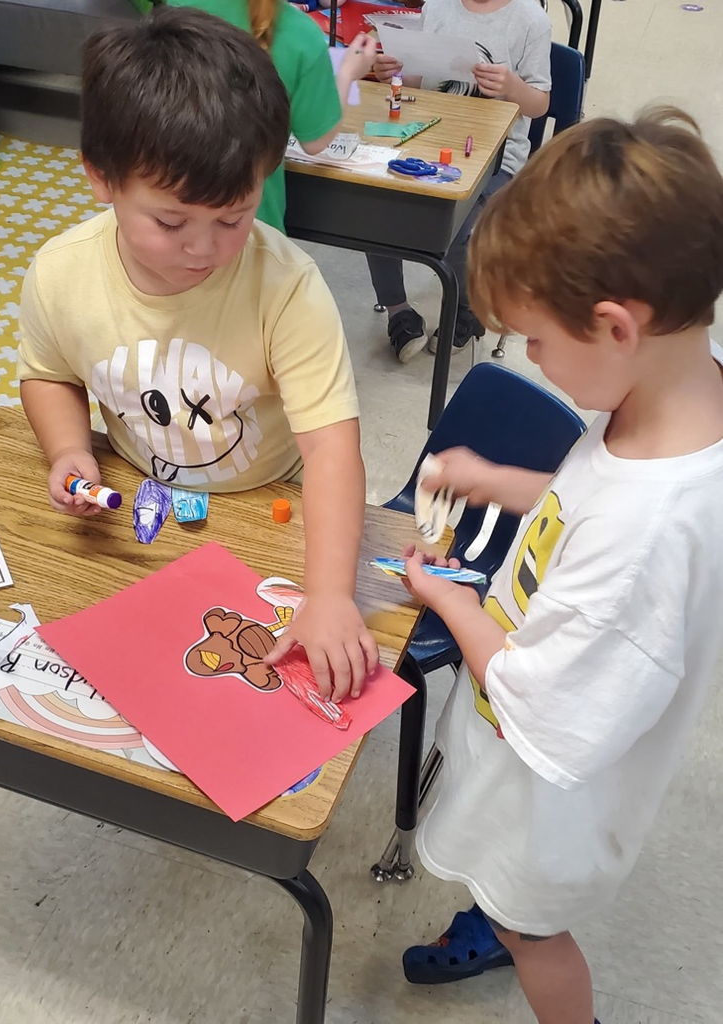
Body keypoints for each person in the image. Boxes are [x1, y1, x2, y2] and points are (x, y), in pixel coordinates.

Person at [398, 107, 723, 1023]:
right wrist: (501, 480)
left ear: (617, 326)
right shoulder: (676, 394)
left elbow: (536, 701)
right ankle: (492, 913)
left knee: (534, 928)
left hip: (549, 786)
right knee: (503, 891)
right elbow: (592, 493)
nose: (532, 362)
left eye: (535, 341)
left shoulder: (648, 537)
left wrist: (447, 594)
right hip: (547, 714)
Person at [16, 7, 378, 702]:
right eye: (171, 221)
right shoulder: (61, 272)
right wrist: (67, 449)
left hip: (271, 506)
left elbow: (334, 448)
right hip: (133, 505)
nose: (203, 248)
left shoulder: (288, 287)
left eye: (233, 218)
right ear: (101, 177)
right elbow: (47, 373)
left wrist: (330, 594)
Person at [370, 0, 550, 363]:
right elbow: (419, 81)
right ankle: (397, 308)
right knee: (375, 209)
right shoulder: (438, 6)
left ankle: (467, 308)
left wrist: (512, 85)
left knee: (457, 228)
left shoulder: (531, 19)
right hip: (432, 140)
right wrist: (394, 73)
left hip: (498, 153)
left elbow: (539, 103)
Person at [169, 0, 376, 232]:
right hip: (251, 224)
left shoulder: (167, 10)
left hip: (166, 219)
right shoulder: (299, 32)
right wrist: (347, 73)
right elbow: (316, 140)